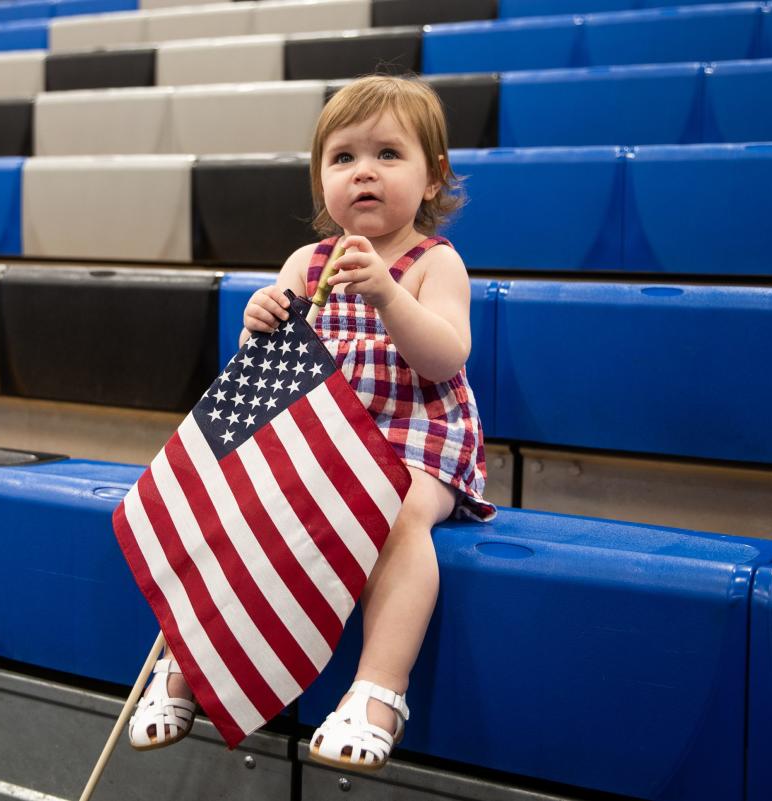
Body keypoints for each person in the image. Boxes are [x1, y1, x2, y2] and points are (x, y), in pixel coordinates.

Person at [126, 74, 496, 772]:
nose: (364, 171)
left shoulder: (433, 263)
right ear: (319, 178)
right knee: (234, 501)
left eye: (389, 154)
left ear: (431, 177)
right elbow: (269, 377)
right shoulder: (309, 262)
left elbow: (446, 357)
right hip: (328, 439)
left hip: (416, 437)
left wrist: (388, 294)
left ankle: (379, 690)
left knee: (396, 511)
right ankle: (185, 665)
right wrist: (259, 326)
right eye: (343, 157)